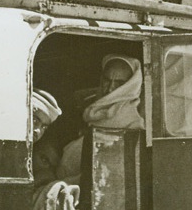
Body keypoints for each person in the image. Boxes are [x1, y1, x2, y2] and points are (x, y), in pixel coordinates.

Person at [57, 56, 144, 184]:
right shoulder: (93, 113)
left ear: (130, 86)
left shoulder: (133, 124)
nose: (109, 89)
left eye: (119, 84)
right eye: (107, 80)